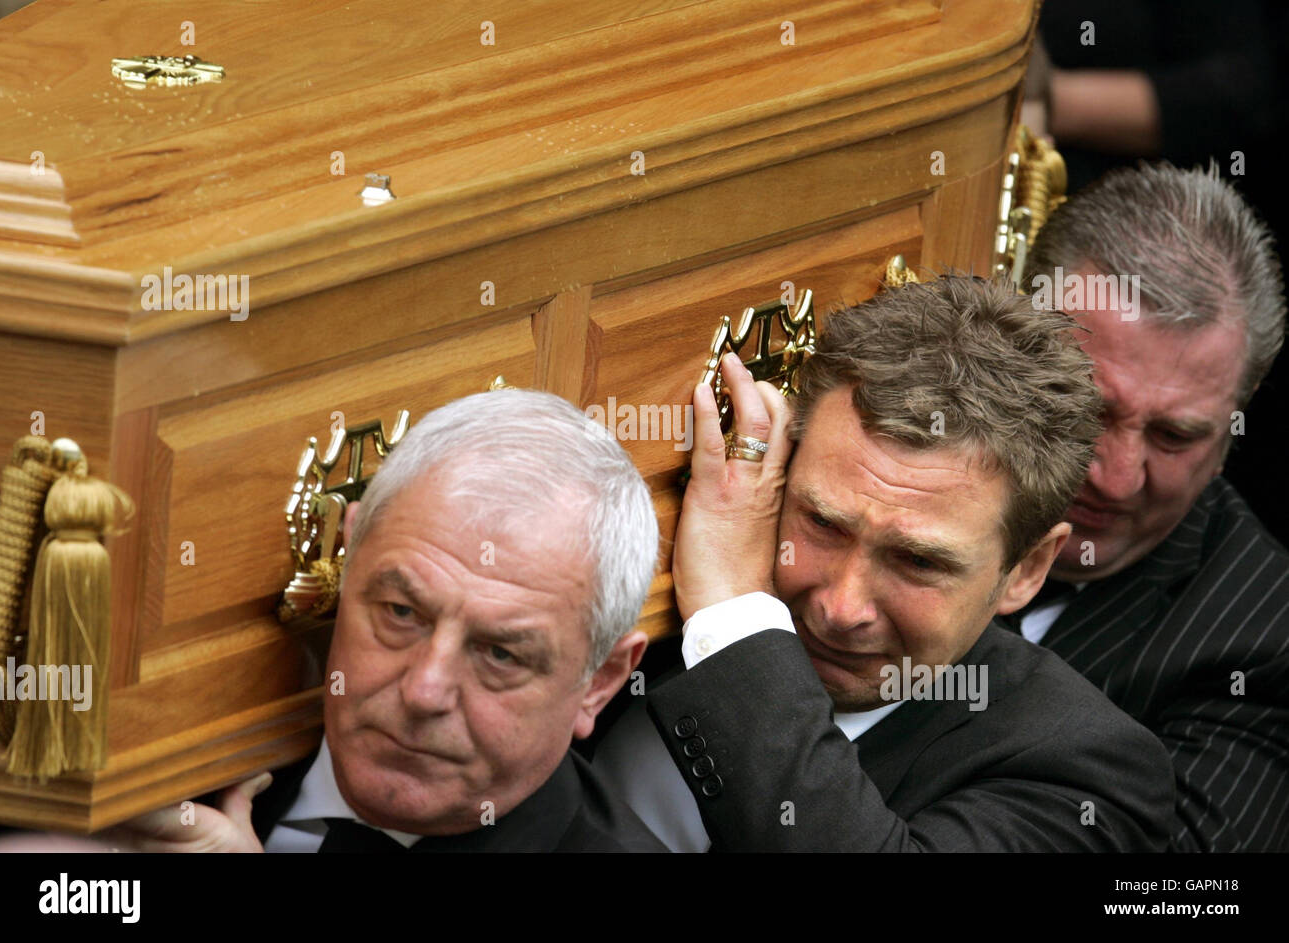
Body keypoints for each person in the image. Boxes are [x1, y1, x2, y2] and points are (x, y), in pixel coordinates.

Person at [592, 275, 1175, 851]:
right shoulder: (643, 610)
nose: (841, 608)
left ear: (1026, 569)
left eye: (918, 561)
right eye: (822, 524)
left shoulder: (1086, 776)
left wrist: (731, 614)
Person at [107, 389, 667, 852]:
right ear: (346, 562)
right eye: (402, 614)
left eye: (501, 654)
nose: (424, 690)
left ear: (600, 681)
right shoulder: (147, 761)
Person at [1018, 162, 1289, 852]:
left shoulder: (1262, 643)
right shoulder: (882, 457)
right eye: (1087, 407)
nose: (1115, 476)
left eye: (1174, 435)